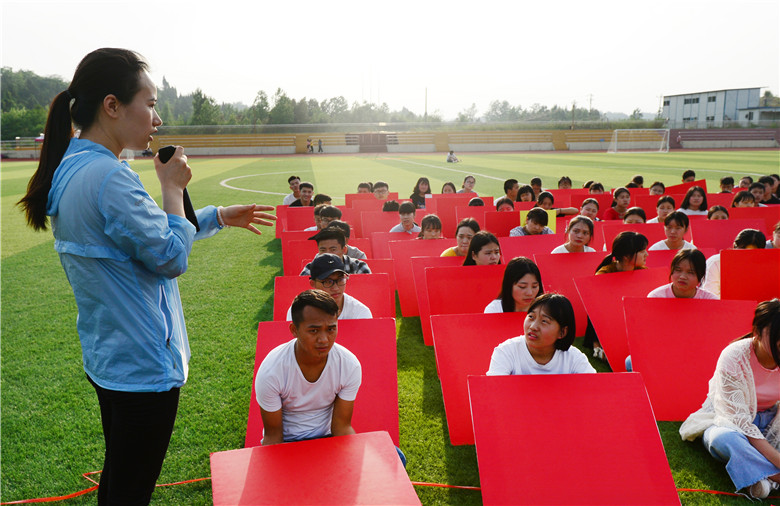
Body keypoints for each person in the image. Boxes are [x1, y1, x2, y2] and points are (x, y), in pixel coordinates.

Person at [16, 48, 276, 505]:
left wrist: (214, 215)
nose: (157, 119)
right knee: (129, 492)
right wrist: (174, 187)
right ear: (112, 106)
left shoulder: (72, 168)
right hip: (142, 368)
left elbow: (138, 239)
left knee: (118, 483)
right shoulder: (110, 177)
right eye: (151, 104)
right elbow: (170, 256)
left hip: (109, 357)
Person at [679, 299, 780, 499]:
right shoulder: (734, 356)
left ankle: (760, 478)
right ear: (758, 333)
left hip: (771, 420)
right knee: (723, 439)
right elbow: (740, 422)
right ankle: (774, 476)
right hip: (727, 421)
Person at [256, 290, 361, 444]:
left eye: (331, 329)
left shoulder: (349, 365)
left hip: (327, 440)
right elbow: (273, 436)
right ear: (294, 330)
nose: (324, 340)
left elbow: (342, 428)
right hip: (288, 444)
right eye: (314, 331)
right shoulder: (272, 371)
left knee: (395, 456)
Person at [486, 293, 596, 375]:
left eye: (544, 321)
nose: (533, 327)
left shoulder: (573, 358)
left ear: (562, 332)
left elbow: (595, 390)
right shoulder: (506, 351)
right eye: (531, 317)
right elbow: (494, 392)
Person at [585, 232, 649, 358]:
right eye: (642, 251)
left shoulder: (644, 272)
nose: (647, 254)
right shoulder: (603, 275)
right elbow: (598, 310)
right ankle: (597, 345)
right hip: (610, 321)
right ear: (626, 256)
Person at [286, 255, 371, 320]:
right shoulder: (298, 311)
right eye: (327, 282)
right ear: (313, 283)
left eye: (340, 280)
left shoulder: (360, 312)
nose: (336, 288)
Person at [701, 229, 767, 298]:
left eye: (752, 254)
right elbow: (711, 296)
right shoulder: (716, 262)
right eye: (743, 252)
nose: (746, 257)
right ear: (735, 246)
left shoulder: (764, 265)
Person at [647, 249, 717, 299]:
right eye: (678, 270)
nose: (682, 277)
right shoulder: (656, 297)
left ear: (701, 275)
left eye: (690, 272)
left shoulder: (710, 300)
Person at [301, 228, 371, 275]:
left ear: (344, 250)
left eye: (333, 249)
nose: (327, 253)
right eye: (323, 250)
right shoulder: (310, 268)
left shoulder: (358, 267)